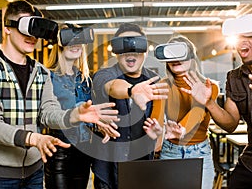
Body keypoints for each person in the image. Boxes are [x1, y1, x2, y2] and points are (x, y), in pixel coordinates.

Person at [0, 0, 119, 189]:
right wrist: (34, 138)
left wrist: (74, 115)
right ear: (7, 28)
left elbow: (48, 113)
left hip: (34, 172)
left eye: (36, 31)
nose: (32, 37)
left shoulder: (40, 71)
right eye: (26, 29)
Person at [184, 14, 252, 188]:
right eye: (239, 37)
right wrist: (209, 103)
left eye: (249, 36)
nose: (242, 41)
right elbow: (230, 124)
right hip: (251, 161)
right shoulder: (234, 77)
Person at [91, 22, 168, 189]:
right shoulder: (103, 75)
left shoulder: (154, 81)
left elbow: (158, 137)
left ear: (146, 51)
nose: (130, 52)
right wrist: (132, 90)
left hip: (142, 167)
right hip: (109, 169)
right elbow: (112, 86)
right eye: (123, 46)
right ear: (116, 52)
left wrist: (157, 134)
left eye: (136, 45)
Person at [146, 35, 219, 189]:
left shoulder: (209, 86)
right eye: (171, 55)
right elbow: (157, 117)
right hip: (170, 151)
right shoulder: (163, 85)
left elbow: (198, 111)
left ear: (192, 58)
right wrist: (156, 129)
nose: (176, 59)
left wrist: (183, 129)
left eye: (180, 53)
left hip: (200, 153)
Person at [44, 23, 110, 189]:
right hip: (59, 152)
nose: (75, 44)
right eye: (69, 39)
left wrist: (99, 125)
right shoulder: (48, 77)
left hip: (83, 151)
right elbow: (46, 115)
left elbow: (89, 112)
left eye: (79, 40)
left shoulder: (85, 79)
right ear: (59, 43)